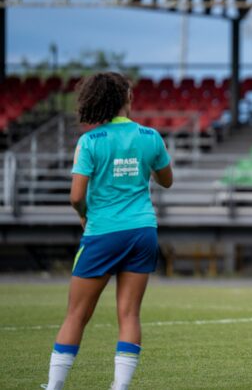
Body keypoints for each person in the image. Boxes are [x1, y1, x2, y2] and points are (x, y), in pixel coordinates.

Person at [43, 72, 173, 390]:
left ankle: (54, 387)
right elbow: (166, 181)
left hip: (102, 233)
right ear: (127, 98)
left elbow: (76, 196)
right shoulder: (150, 136)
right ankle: (119, 387)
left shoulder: (89, 141)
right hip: (142, 231)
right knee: (129, 315)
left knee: (76, 315)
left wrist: (83, 216)